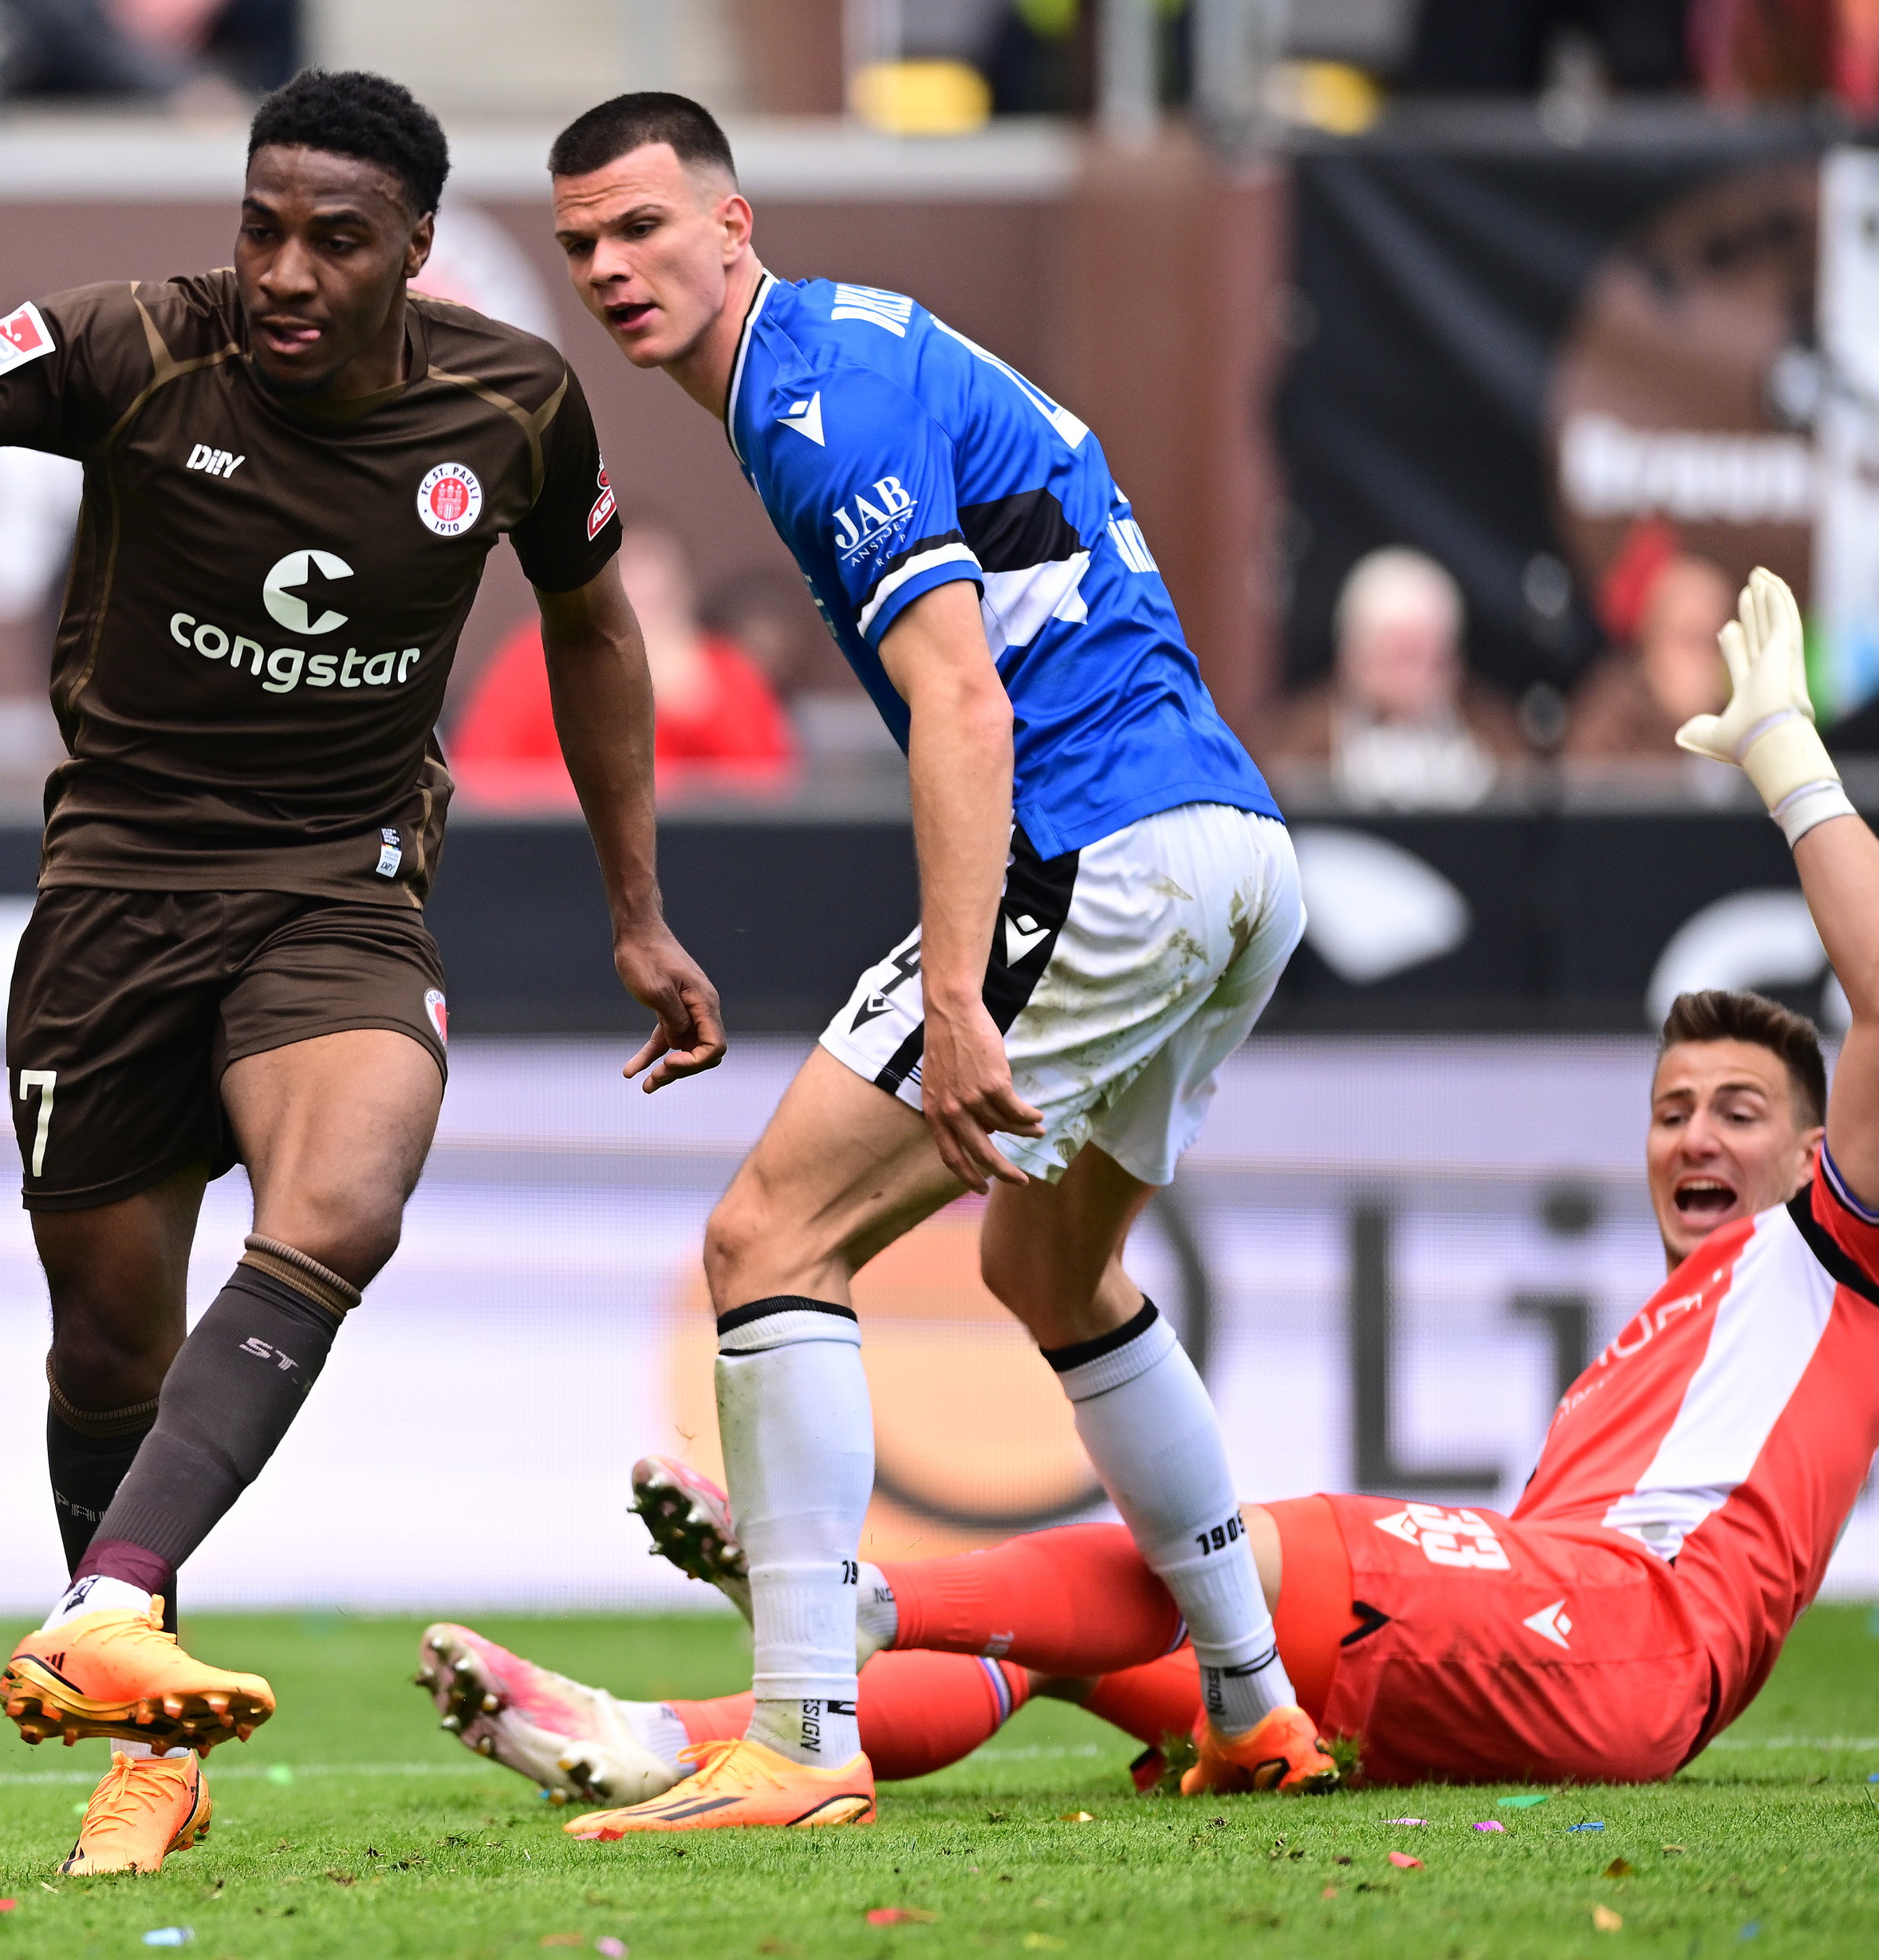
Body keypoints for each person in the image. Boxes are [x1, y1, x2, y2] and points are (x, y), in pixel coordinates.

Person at [427, 571, 1879, 1804]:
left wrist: (1787, 761)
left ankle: (847, 1598)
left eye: (1738, 1113)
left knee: (1223, 1553)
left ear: (1822, 1149)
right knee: (1081, 1641)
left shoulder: (1828, 1252)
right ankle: (641, 1738)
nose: (1692, 1138)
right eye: (1669, 1108)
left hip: (1614, 1633)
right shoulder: (1672, 1330)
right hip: (1563, 1650)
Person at [0, 69, 723, 1877]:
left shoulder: (510, 403)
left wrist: (632, 908)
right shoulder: (134, 346)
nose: (279, 269)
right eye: (258, 226)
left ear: (409, 252)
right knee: (108, 1340)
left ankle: (106, 1609)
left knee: (341, 1199)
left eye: (328, 241)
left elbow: (587, 626)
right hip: (113, 891)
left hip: (333, 889)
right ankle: (146, 1733)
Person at [543, 92, 1308, 1832]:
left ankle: (802, 1736)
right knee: (1050, 1266)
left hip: (1102, 846)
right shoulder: (848, 351)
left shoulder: (813, 401)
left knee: (768, 1236)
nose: (607, 267)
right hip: (1233, 850)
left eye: (641, 228)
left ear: (732, 224)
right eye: (580, 242)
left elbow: (961, 700)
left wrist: (955, 1000)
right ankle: (1254, 1704)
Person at [450, 518, 799, 803]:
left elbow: (773, 795)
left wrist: (698, 707)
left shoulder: (724, 670)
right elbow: (480, 779)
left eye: (659, 600)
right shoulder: (536, 657)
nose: (642, 619)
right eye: (628, 594)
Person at [1274, 545, 1523, 810]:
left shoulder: (1493, 738)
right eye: (1403, 657)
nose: (1417, 680)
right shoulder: (1303, 744)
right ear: (1355, 658)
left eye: (1434, 661)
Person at [1569, 532, 1741, 763]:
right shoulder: (1610, 729)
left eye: (1719, 642)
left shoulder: (1747, 724)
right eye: (1692, 638)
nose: (1708, 658)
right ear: (1651, 643)